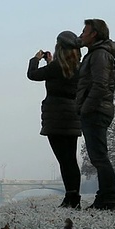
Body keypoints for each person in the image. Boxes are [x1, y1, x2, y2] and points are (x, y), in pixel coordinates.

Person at [27, 31, 82, 209]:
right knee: (71, 160)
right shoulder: (79, 68)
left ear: (59, 48)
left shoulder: (54, 68)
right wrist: (50, 63)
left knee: (63, 160)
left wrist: (35, 59)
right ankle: (73, 197)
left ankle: (70, 198)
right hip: (72, 116)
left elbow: (32, 74)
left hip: (55, 118)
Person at [73, 19, 115, 210]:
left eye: (84, 31)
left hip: (96, 110)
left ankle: (110, 198)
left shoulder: (100, 55)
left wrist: (85, 108)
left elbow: (100, 85)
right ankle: (104, 196)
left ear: (94, 34)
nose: (81, 34)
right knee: (98, 156)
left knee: (99, 157)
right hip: (97, 109)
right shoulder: (95, 53)